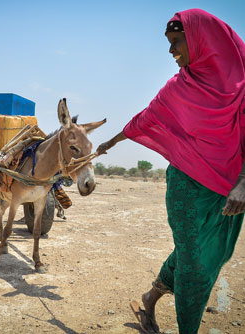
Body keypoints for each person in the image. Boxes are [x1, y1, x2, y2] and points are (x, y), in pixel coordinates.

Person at [97, 9, 245, 334]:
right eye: (169, 42)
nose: (170, 50)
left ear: (201, 40)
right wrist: (110, 141)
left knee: (207, 256)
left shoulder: (241, 84)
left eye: (176, 41)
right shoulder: (178, 88)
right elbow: (145, 118)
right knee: (194, 269)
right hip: (186, 189)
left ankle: (150, 298)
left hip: (229, 189)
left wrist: (244, 183)